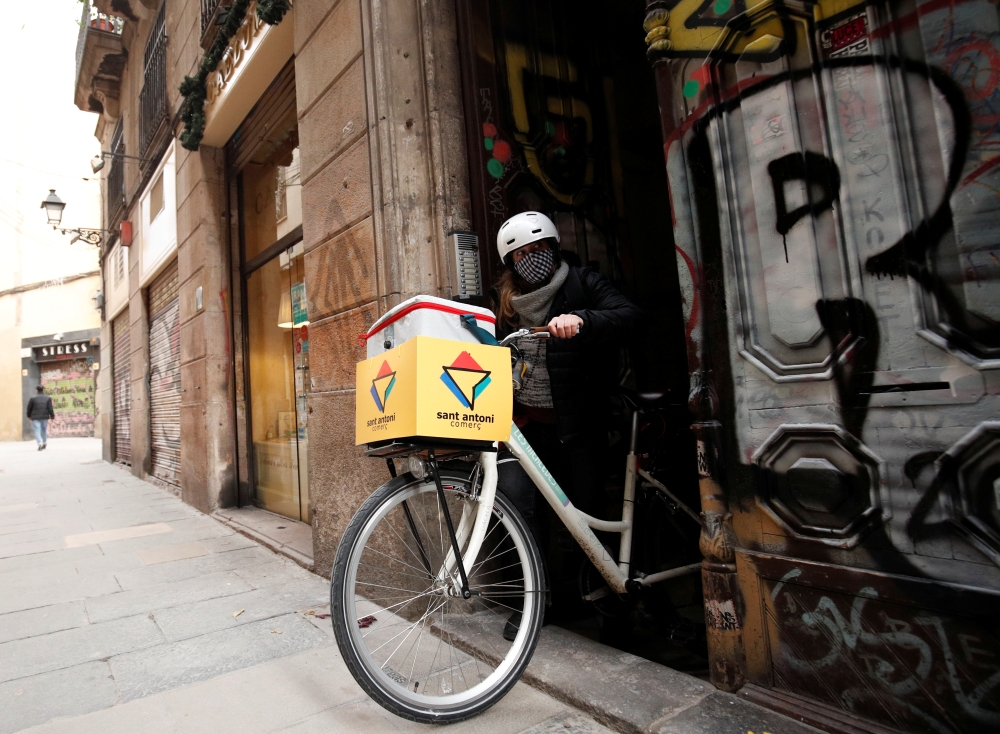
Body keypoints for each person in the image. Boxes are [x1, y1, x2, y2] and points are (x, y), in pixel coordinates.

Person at [491, 211, 642, 641]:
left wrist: (584, 321)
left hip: (577, 427)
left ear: (554, 249)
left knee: (588, 518)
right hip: (524, 430)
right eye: (521, 254)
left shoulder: (582, 284)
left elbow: (630, 317)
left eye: (539, 250)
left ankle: (611, 606)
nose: (531, 258)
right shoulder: (503, 305)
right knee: (520, 513)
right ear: (510, 262)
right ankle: (536, 602)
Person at [27, 385, 55, 451]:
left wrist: (29, 416)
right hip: (44, 416)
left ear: (37, 390)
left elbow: (29, 408)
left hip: (35, 417)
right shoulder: (47, 398)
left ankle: (39, 443)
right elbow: (50, 408)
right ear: (43, 390)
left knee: (37, 430)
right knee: (44, 429)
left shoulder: (32, 398)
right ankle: (44, 443)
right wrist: (52, 417)